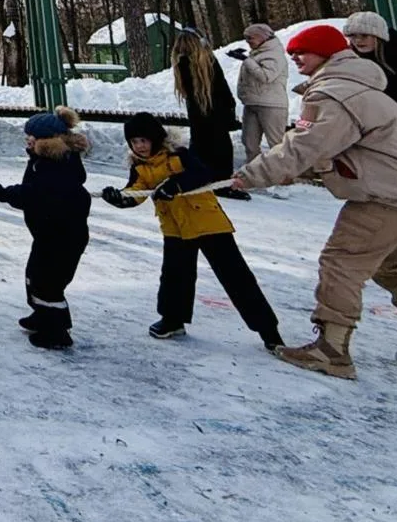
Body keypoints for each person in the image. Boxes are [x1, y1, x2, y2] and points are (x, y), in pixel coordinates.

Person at [231, 25, 397, 386]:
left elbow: (305, 146)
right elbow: (335, 149)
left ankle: (332, 350)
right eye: (294, 52)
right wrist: (302, 171)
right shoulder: (359, 88)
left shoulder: (335, 93)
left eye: (305, 52)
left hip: (393, 194)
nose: (296, 58)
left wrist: (250, 175)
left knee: (341, 262)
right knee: (395, 270)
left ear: (327, 55)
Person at [100, 112, 282, 350]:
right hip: (175, 228)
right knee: (175, 276)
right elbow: (136, 191)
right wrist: (119, 198)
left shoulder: (179, 155)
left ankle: (267, 329)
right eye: (134, 142)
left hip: (208, 223)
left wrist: (176, 185)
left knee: (235, 276)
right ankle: (172, 320)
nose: (140, 146)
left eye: (143, 140)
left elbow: (201, 174)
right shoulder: (140, 167)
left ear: (155, 138)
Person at [0, 108, 92, 351]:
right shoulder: (43, 160)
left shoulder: (57, 164)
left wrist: (6, 194)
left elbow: (35, 193)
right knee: (35, 277)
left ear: (48, 140)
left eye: (31, 138)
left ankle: (57, 332)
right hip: (48, 235)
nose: (27, 141)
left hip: (62, 238)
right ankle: (43, 316)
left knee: (49, 284)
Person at [172, 29, 246, 200]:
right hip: (216, 112)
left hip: (197, 114)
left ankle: (198, 178)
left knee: (199, 146)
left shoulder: (180, 64)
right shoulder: (207, 61)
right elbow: (221, 87)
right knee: (221, 149)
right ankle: (221, 184)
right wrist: (230, 109)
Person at [230, 23, 290, 165]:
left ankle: (283, 174)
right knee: (249, 141)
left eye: (250, 38)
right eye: (245, 39)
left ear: (262, 37)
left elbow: (266, 76)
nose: (248, 42)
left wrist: (246, 60)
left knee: (276, 143)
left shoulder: (275, 55)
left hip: (272, 105)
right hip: (251, 103)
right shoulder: (256, 54)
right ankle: (254, 171)